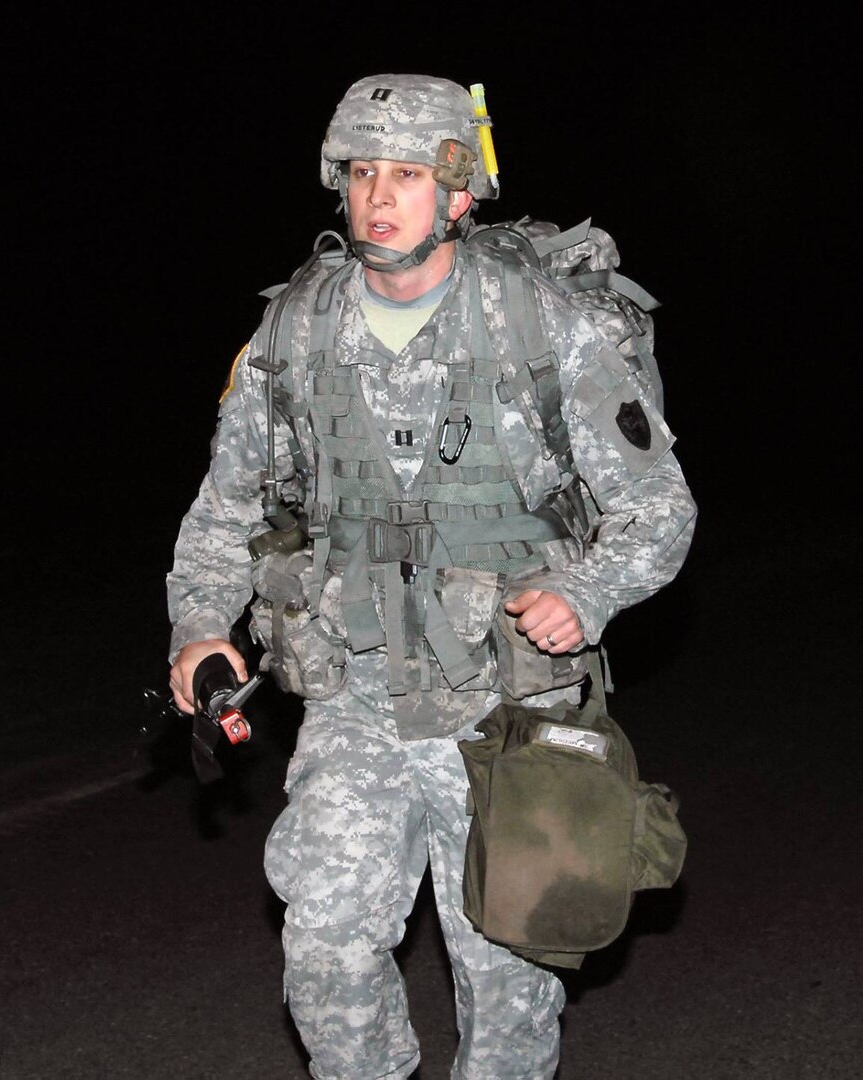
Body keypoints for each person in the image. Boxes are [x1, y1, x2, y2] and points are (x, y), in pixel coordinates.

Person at [165, 75, 694, 1078]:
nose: (378, 194)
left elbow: (658, 509)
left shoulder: (545, 328)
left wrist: (584, 592)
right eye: (363, 171)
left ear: (459, 193)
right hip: (354, 696)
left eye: (406, 173)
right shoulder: (297, 329)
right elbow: (225, 509)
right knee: (323, 953)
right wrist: (198, 625)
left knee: (507, 980)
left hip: (507, 708)